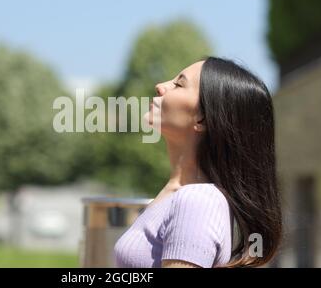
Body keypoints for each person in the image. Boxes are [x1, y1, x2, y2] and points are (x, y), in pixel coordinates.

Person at [113, 57, 282, 268]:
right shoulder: (175, 195)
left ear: (202, 118)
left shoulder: (197, 202)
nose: (160, 86)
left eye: (178, 84)